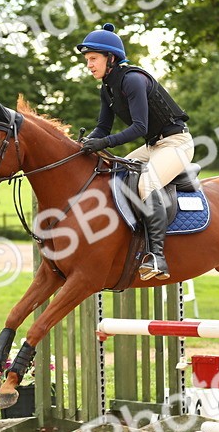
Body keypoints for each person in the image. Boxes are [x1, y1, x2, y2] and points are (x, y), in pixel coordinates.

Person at [76, 23, 194, 281]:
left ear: (111, 58)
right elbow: (102, 127)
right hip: (153, 147)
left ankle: (158, 257)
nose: (89, 65)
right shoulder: (106, 88)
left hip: (176, 143)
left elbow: (139, 127)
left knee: (148, 182)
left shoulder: (132, 80)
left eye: (93, 59)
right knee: (114, 173)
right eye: (87, 60)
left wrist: (104, 143)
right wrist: (82, 145)